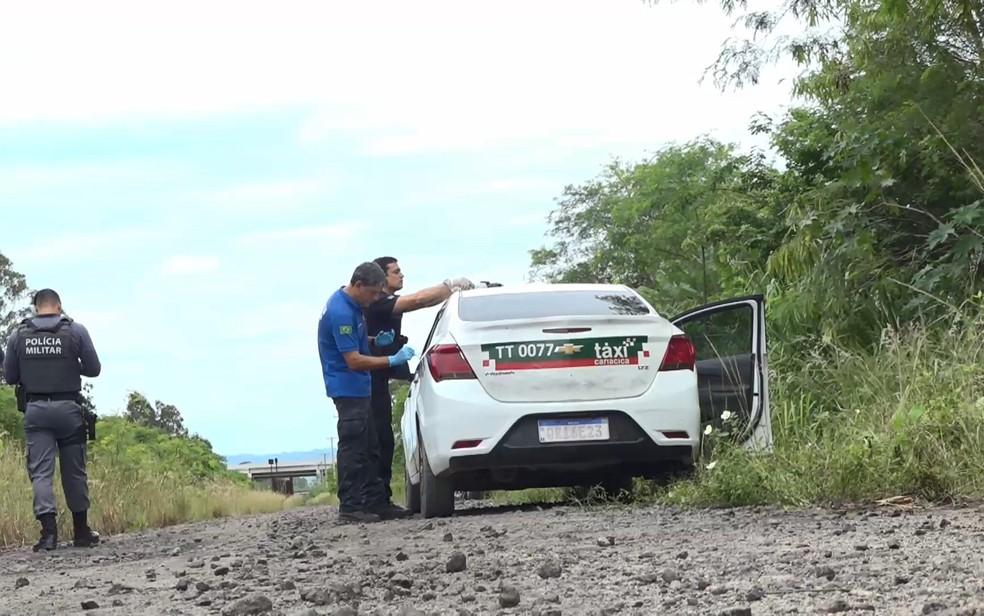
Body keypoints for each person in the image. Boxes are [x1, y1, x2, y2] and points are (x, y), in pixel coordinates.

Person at [365, 256, 479, 506]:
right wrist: (450, 286)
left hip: (380, 375)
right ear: (382, 279)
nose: (402, 275)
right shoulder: (379, 303)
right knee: (376, 438)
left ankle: (378, 498)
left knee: (382, 437)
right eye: (396, 271)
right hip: (370, 378)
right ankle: (374, 499)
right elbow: (417, 300)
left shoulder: (381, 303)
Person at [2, 289, 102, 552]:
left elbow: (10, 376)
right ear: (59, 307)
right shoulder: (76, 330)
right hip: (69, 409)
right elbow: (94, 369)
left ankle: (48, 535)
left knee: (41, 473)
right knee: (74, 471)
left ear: (36, 308)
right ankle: (81, 532)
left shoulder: (17, 335)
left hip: (36, 411)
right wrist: (69, 366)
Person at [317, 262, 417, 523]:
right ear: (358, 285)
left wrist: (374, 342)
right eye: (373, 293)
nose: (375, 300)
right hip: (347, 388)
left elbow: (356, 344)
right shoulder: (340, 312)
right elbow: (353, 360)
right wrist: (391, 360)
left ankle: (376, 502)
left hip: (362, 387)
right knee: (354, 448)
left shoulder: (354, 306)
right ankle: (350, 506)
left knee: (372, 446)